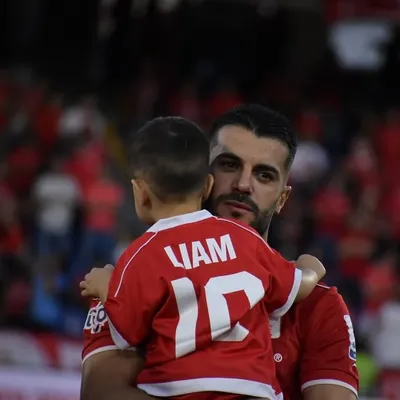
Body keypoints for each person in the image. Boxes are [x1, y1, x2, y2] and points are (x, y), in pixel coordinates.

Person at [80, 105, 359, 400]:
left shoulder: (126, 281)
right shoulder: (132, 277)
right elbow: (102, 394)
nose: (243, 185)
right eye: (229, 165)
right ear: (205, 177)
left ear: (282, 199)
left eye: (264, 175)